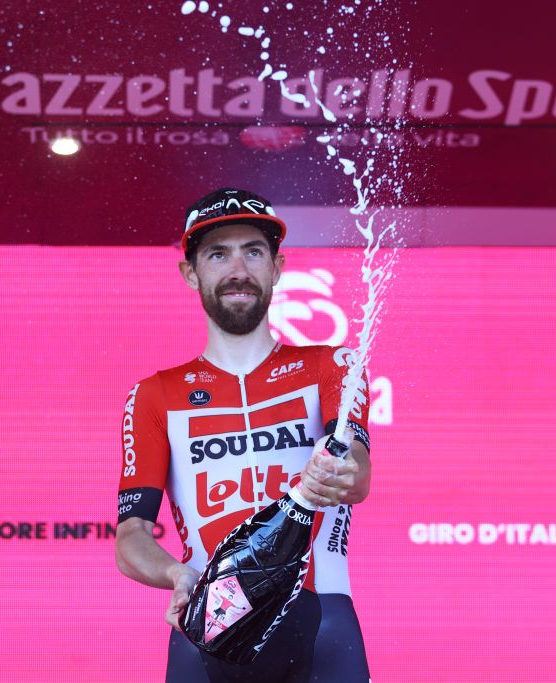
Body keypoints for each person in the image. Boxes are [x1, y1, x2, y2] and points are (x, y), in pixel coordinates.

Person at [115, 188, 373, 683]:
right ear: (190, 273)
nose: (238, 269)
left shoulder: (333, 365)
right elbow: (130, 537)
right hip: (208, 620)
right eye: (217, 253)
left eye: (253, 251)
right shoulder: (154, 395)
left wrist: (337, 470)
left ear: (277, 267)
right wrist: (178, 576)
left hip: (323, 625)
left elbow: (357, 474)